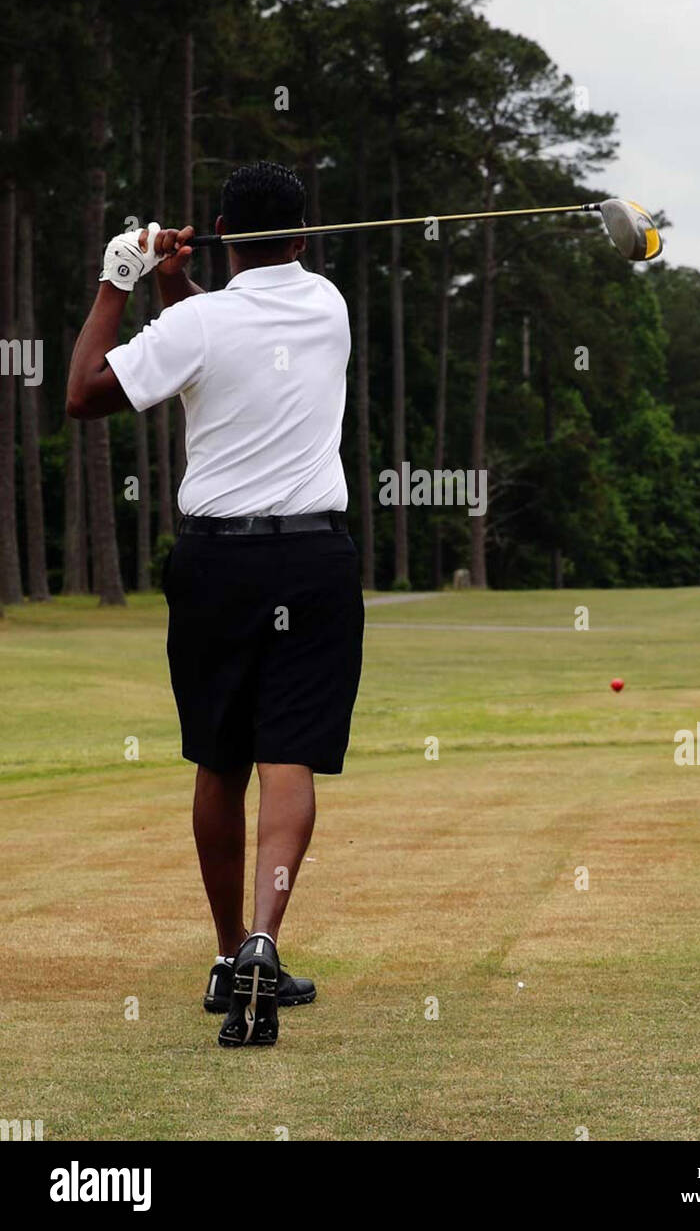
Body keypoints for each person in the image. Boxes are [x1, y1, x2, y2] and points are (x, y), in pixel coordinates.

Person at [66, 162, 364, 1047]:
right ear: (303, 240)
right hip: (314, 559)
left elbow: (83, 393)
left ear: (225, 232)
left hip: (216, 566)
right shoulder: (329, 307)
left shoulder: (197, 323)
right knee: (290, 758)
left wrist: (118, 282)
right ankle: (267, 941)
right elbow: (242, 328)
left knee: (220, 761)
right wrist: (176, 286)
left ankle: (232, 951)